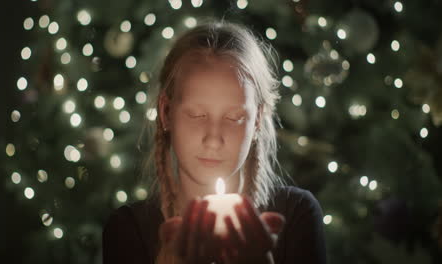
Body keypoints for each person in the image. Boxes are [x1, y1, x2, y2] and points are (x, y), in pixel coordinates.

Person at [102, 20, 326, 264]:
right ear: (166, 112)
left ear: (258, 120)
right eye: (197, 115)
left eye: (233, 117)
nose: (213, 139)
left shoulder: (295, 214)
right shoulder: (129, 228)